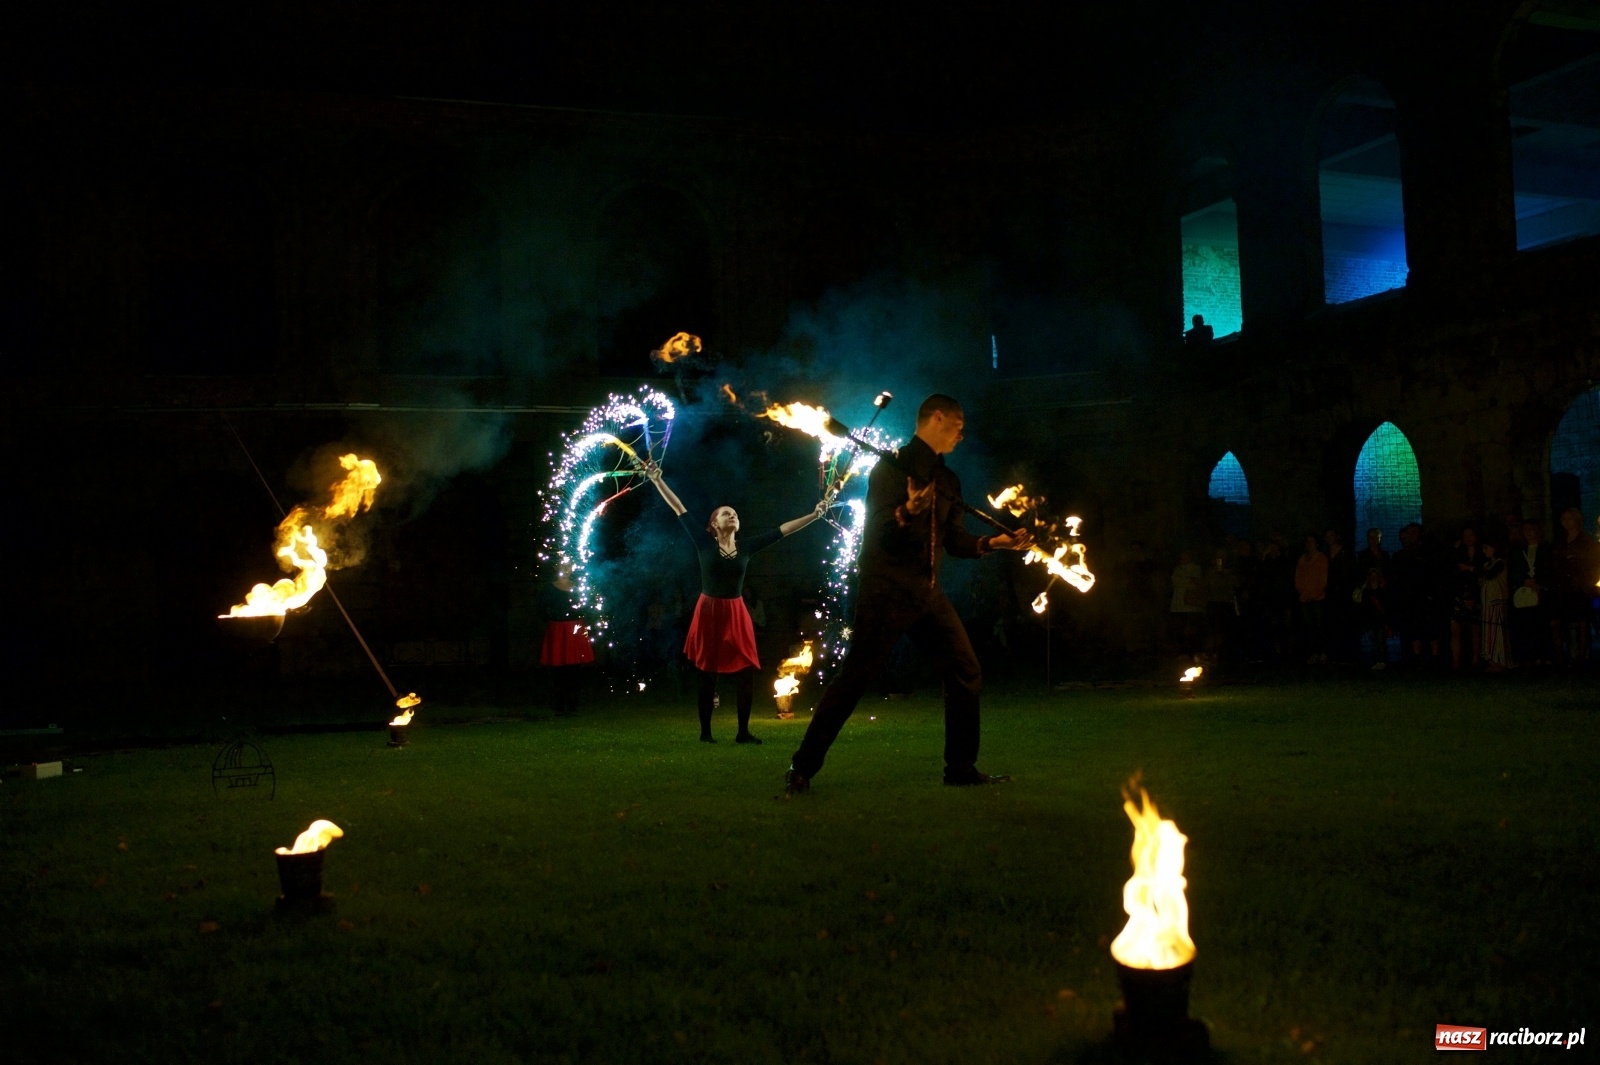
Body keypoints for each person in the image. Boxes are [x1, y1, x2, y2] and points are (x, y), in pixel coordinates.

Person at [785, 394, 1033, 794]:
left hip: (927, 594)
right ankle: (802, 767)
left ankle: (960, 768)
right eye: (958, 423)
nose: (962, 433)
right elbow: (880, 532)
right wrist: (908, 512)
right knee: (854, 678)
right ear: (937, 418)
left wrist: (995, 543)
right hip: (886, 591)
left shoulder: (948, 481)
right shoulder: (891, 467)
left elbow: (954, 542)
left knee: (965, 670)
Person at [645, 462, 825, 744]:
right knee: (708, 674)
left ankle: (743, 732)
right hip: (709, 612)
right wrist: (657, 480)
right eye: (725, 513)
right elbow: (678, 507)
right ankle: (706, 733)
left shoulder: (747, 547)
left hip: (736, 612)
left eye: (735, 514)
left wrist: (813, 516)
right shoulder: (704, 544)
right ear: (713, 524)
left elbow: (783, 530)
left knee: (745, 673)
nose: (732, 515)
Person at [540, 572, 594, 716]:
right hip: (558, 628)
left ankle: (572, 703)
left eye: (569, 565)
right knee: (558, 669)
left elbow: (585, 606)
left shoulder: (578, 587)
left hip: (574, 628)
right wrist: (553, 621)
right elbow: (542, 609)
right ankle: (559, 704)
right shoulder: (550, 589)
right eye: (564, 565)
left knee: (574, 668)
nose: (566, 568)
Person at [1551, 507, 1597, 665]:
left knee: (1582, 620)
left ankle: (1581, 655)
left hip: (1580, 585)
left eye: (1569, 519)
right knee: (1559, 620)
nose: (1566, 522)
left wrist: (1586, 581)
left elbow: (1591, 562)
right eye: (1563, 519)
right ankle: (1562, 655)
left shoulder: (1585, 540)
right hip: (1563, 585)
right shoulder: (1560, 540)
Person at [1508, 518, 1552, 666]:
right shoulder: (1518, 551)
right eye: (1525, 529)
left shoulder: (1546, 549)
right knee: (1525, 625)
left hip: (1541, 592)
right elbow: (1514, 571)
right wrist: (1523, 581)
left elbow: (1549, 569)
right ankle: (1527, 656)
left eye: (1531, 529)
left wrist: (1539, 583)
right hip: (1524, 593)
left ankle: (1543, 656)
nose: (1528, 532)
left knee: (1541, 624)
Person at [1449, 526, 1483, 671]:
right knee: (1455, 629)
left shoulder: (1482, 554)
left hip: (1476, 594)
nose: (1468, 538)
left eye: (1471, 534)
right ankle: (1456, 662)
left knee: (1475, 629)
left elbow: (1482, 573)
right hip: (1459, 594)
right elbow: (1451, 571)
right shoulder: (1457, 554)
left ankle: (1476, 659)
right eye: (1465, 535)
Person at [1294, 533, 1328, 664]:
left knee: (1319, 625)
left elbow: (1323, 578)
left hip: (1318, 597)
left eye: (1311, 541)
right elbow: (1297, 577)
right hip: (1304, 598)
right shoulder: (1302, 559)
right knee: (1310, 627)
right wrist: (1302, 591)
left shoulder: (1321, 558)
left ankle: (1323, 651)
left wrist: (1315, 593)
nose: (1309, 544)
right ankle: (1314, 651)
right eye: (1307, 541)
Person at [1479, 541, 1509, 672]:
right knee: (1489, 630)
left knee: (1497, 631)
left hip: (1497, 601)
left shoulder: (1500, 563)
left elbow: (1490, 575)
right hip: (1487, 603)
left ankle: (1500, 660)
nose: (1484, 551)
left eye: (1486, 547)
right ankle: (1491, 660)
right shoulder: (1487, 564)